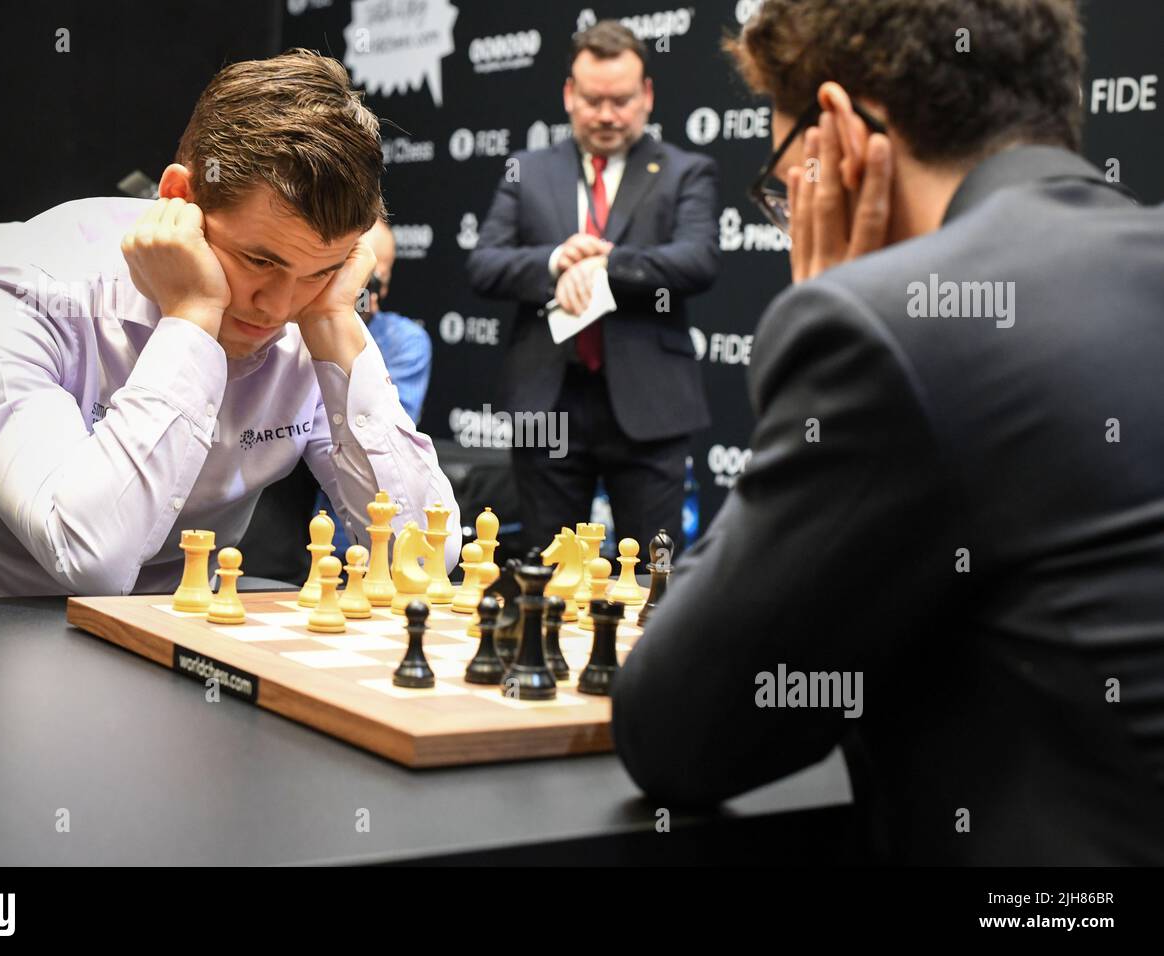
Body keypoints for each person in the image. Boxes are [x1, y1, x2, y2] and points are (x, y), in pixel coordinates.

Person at [611, 0, 1164, 864]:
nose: (787, 209)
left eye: (783, 179)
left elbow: (676, 734)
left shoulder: (889, 321)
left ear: (839, 132)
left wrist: (827, 322)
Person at [0, 49, 459, 600]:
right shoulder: (10, 294)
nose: (277, 308)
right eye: (261, 261)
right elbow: (88, 558)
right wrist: (191, 319)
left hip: (181, 643)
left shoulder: (312, 312)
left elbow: (422, 557)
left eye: (321, 270)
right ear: (179, 197)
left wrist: (335, 320)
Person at [467, 19, 718, 555]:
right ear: (568, 94)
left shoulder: (685, 170)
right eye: (593, 99)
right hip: (548, 399)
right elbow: (484, 265)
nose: (606, 114)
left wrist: (610, 261)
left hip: (649, 405)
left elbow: (698, 261)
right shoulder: (526, 171)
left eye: (621, 100)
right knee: (548, 573)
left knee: (652, 578)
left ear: (647, 95)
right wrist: (558, 260)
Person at [315, 218, 432, 552]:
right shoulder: (289, 327)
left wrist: (344, 327)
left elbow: (375, 442)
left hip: (363, 536)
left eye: (382, 274)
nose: (371, 285)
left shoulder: (405, 341)